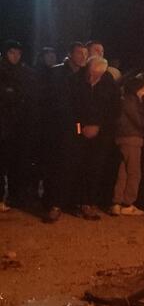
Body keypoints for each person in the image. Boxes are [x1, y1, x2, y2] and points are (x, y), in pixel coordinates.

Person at [39, 42, 89, 222]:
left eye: (85, 53)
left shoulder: (86, 75)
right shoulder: (57, 73)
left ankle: (71, 202)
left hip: (79, 129)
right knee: (57, 167)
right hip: (59, 129)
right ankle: (53, 204)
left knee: (77, 167)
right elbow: (54, 101)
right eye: (79, 53)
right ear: (70, 54)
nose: (83, 56)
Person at [73, 56, 120, 220]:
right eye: (92, 73)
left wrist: (98, 126)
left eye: (98, 74)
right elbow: (72, 108)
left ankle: (89, 202)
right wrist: (81, 128)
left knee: (95, 169)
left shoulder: (109, 85)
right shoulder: (77, 82)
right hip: (79, 133)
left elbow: (114, 110)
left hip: (100, 136)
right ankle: (75, 201)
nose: (94, 77)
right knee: (77, 167)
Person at [0, 41, 38, 210]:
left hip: (21, 126)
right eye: (11, 53)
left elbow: (30, 96)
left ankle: (16, 196)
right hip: (4, 124)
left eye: (18, 53)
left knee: (19, 163)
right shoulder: (2, 70)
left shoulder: (25, 72)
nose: (15, 56)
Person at [111, 75, 144, 216]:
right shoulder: (130, 100)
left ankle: (117, 203)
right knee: (134, 172)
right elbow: (139, 121)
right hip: (131, 138)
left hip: (125, 138)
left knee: (123, 172)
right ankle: (127, 203)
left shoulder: (131, 100)